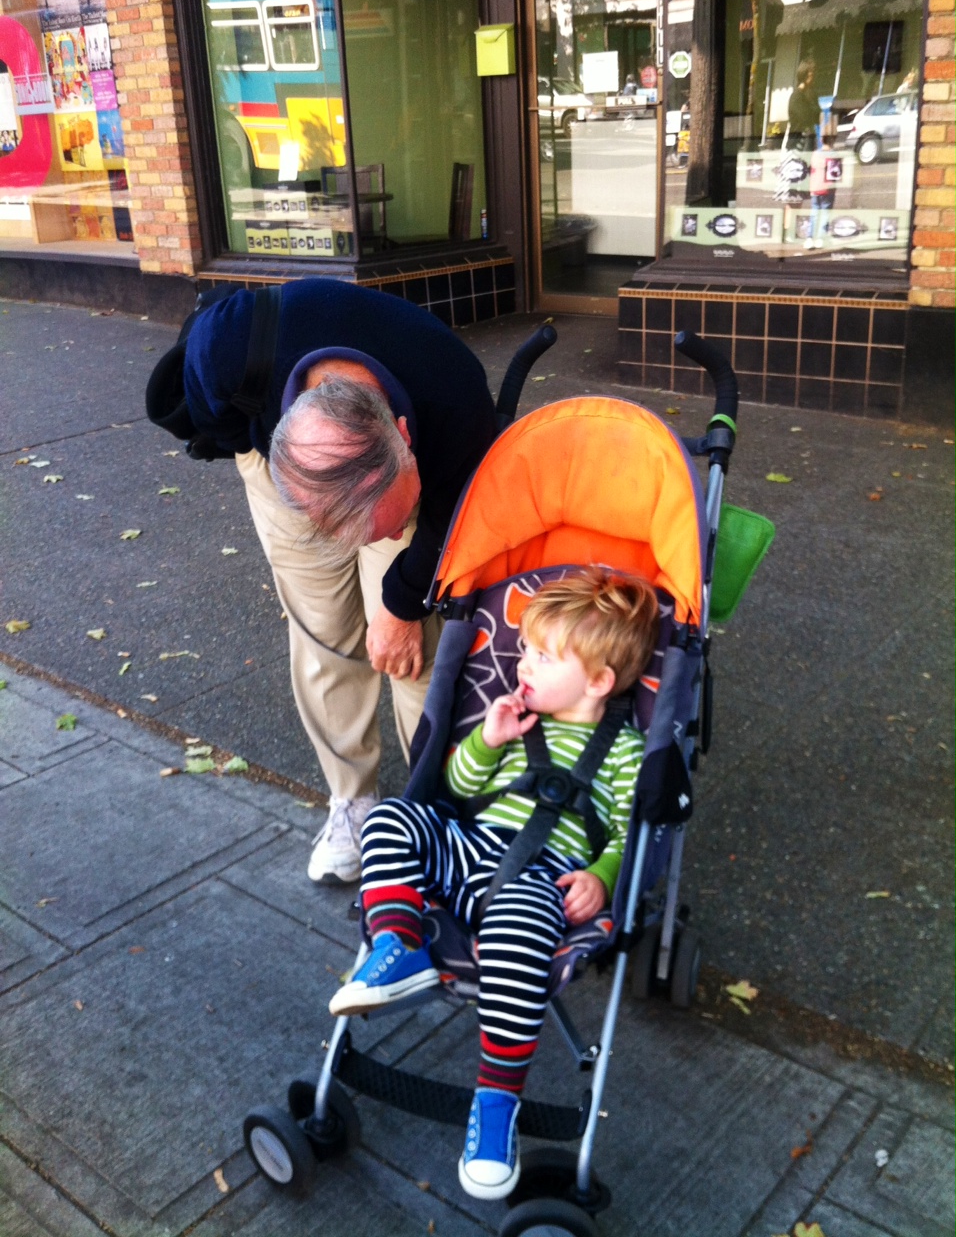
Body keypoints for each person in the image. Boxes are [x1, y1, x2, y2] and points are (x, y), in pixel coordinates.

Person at [145, 279, 497, 883]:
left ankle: (434, 809)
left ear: (404, 437)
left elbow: (450, 518)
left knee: (415, 648)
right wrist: (266, 453)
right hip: (285, 457)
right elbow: (207, 416)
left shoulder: (455, 400)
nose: (381, 539)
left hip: (421, 469)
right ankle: (352, 801)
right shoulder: (228, 349)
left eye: (380, 524)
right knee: (324, 631)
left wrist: (401, 603)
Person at [328, 567, 659, 1201]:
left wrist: (602, 875)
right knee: (391, 818)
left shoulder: (622, 752)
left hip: (538, 878)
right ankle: (399, 947)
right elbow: (454, 792)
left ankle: (497, 1103)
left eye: (543, 657)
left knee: (524, 921)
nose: (522, 665)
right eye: (524, 648)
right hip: (469, 846)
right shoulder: (514, 717)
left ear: (597, 681)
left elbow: (627, 832)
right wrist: (486, 738)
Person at [788, 60, 820, 151]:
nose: (814, 77)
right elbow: (807, 118)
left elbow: (818, 118)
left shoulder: (811, 95)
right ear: (805, 75)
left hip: (808, 143)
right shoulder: (796, 97)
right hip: (797, 146)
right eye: (812, 74)